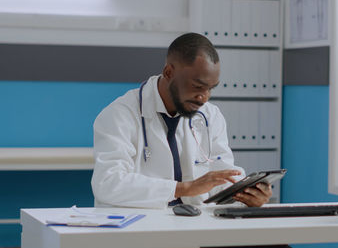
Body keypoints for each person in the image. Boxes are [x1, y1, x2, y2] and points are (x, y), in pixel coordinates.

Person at [91, 32, 272, 208]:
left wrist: (246, 191)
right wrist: (184, 189)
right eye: (197, 86)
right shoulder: (120, 114)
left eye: (211, 89)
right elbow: (108, 183)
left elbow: (221, 171)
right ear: (169, 72)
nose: (204, 97)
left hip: (193, 224)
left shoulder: (210, 115)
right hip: (136, 226)